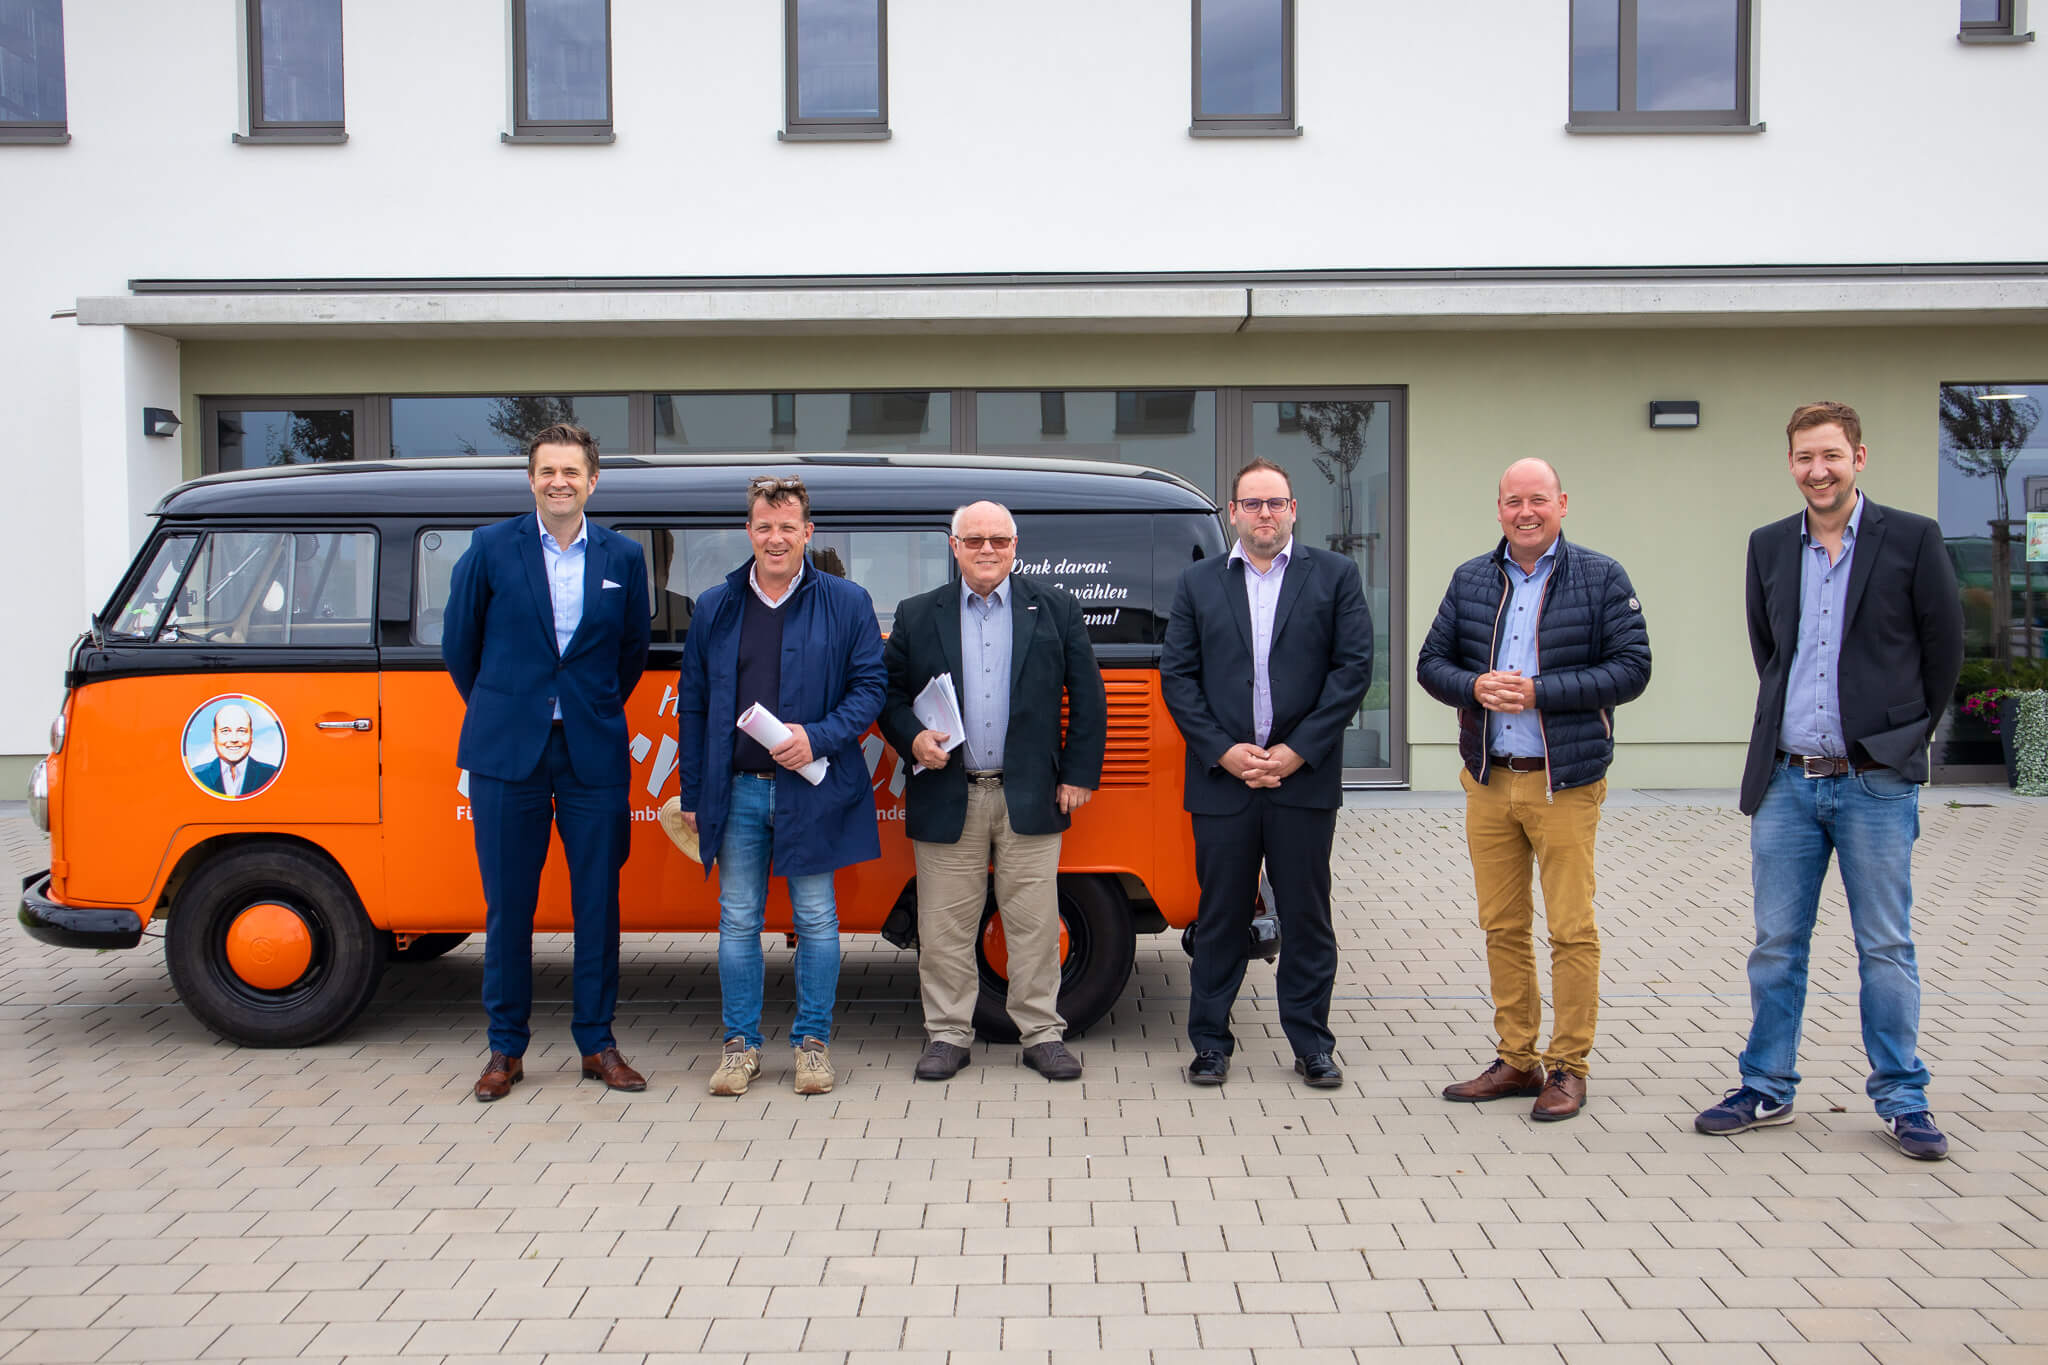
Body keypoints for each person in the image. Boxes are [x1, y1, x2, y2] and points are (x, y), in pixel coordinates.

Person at [1694, 401, 1964, 1159]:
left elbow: (1944, 650)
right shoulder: (1769, 545)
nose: (1819, 470)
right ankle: (1766, 1086)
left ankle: (1903, 1098)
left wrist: (1906, 741)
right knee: (1776, 944)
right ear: (1791, 464)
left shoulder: (1911, 538)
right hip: (1787, 782)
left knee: (1885, 945)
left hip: (1876, 782)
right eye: (1805, 457)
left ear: (1858, 458)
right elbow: (1769, 650)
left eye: (1832, 456)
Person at [1417, 459, 1651, 1122]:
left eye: (1538, 499)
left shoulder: (1601, 577)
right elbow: (1430, 664)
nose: (1526, 511)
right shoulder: (1470, 578)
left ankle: (1569, 1066)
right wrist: (1473, 686)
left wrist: (1539, 692)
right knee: (1502, 925)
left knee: (1571, 929)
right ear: (1499, 509)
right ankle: (1517, 1059)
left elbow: (1633, 669)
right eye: (1514, 500)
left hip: (1564, 782)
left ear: (1562, 503)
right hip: (1490, 779)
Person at [441, 423, 652, 1102]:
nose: (559, 482)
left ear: (593, 481)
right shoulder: (489, 547)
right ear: (530, 479)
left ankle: (597, 1043)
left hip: (591, 749)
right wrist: (511, 707)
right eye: (547, 471)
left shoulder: (624, 556)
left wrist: (584, 706)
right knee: (509, 906)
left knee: (598, 903)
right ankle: (505, 1048)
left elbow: (631, 653)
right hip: (508, 751)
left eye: (571, 471)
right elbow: (460, 647)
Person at [1159, 458, 1374, 1088]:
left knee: (1307, 918)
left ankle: (1312, 1045)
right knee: (1220, 917)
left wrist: (1299, 750)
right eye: (1252, 504)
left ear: (1293, 510)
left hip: (1301, 781)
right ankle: (1210, 1044)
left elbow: (1352, 670)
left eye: (1275, 503)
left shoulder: (1334, 575)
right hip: (1223, 782)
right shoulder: (1198, 582)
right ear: (1233, 513)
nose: (1264, 514)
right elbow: (1178, 677)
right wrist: (1223, 751)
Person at [880, 501, 1108, 1082]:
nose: (987, 550)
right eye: (975, 539)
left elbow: (1088, 696)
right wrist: (913, 739)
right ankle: (948, 1036)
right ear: (954, 546)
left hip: (1029, 793)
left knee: (1035, 924)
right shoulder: (916, 614)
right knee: (943, 927)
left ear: (1015, 546)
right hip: (947, 791)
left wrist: (1079, 774)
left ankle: (1042, 1034)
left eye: (999, 540)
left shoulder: (1055, 608)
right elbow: (887, 695)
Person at [676, 474, 886, 1097]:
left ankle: (812, 1045)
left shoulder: (847, 602)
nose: (775, 538)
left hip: (812, 787)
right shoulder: (715, 606)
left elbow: (870, 689)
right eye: (764, 526)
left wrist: (816, 736)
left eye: (787, 527)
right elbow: (694, 704)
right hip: (736, 788)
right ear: (748, 531)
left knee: (817, 918)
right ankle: (739, 1046)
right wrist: (693, 792)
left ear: (807, 532)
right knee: (738, 919)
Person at [190, 702, 279, 798]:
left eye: (241, 731)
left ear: (251, 735)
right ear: (214, 736)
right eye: (225, 731)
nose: (234, 739)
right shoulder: (196, 776)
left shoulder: (272, 775)